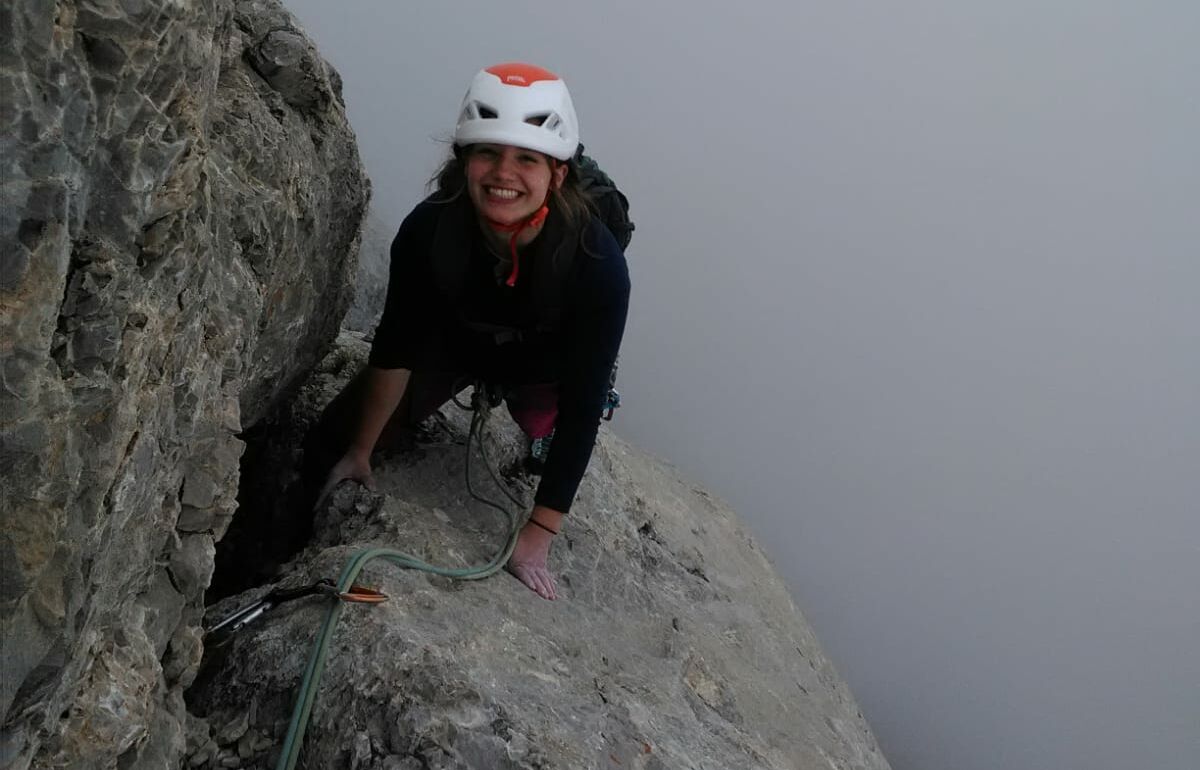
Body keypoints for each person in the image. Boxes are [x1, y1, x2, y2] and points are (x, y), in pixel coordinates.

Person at [311, 63, 631, 601]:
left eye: (526, 158)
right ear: (464, 161)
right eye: (487, 153)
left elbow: (584, 404)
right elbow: (396, 343)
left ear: (557, 173)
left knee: (544, 426)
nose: (503, 173)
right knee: (330, 442)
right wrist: (360, 449)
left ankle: (535, 423)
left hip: (547, 366)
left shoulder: (595, 263)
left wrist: (538, 534)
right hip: (456, 344)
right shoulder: (430, 229)